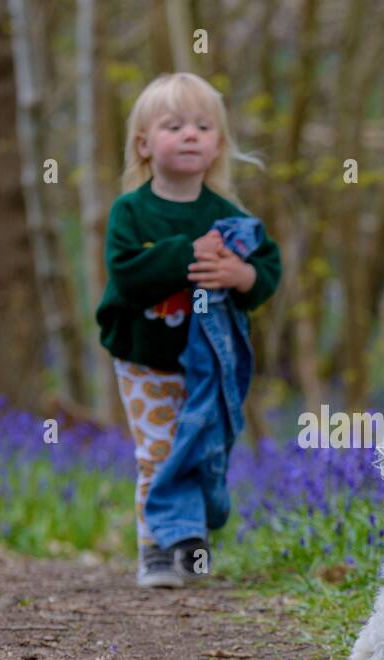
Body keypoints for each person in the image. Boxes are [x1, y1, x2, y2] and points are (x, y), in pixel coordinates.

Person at [97, 72, 281, 587]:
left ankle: (192, 552)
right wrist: (187, 255)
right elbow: (128, 276)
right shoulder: (130, 212)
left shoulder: (226, 216)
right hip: (144, 359)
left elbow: (267, 270)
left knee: (200, 447)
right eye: (173, 125)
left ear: (219, 144)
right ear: (144, 144)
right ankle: (154, 550)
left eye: (203, 126)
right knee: (158, 452)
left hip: (208, 365)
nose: (190, 134)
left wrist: (241, 275)